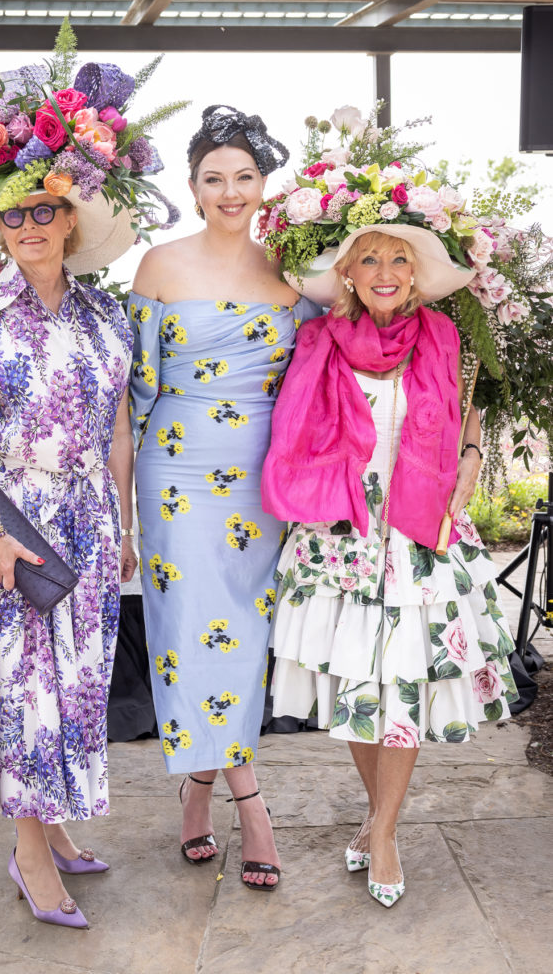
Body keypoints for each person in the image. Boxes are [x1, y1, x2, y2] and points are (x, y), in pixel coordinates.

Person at [0, 57, 175, 928]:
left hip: (90, 519)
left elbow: (119, 431)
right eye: (13, 210)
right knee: (23, 684)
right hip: (9, 516)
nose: (28, 223)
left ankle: (54, 827)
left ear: (70, 220)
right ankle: (28, 854)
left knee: (77, 681)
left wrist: (124, 521)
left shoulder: (105, 317)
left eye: (45, 208)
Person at [261, 224, 519, 907]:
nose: (384, 270)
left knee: (401, 677)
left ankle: (381, 833)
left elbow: (466, 414)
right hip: (340, 522)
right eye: (368, 258)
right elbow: (294, 424)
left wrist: (470, 458)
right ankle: (378, 818)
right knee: (357, 681)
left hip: (417, 524)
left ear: (415, 273)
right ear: (345, 271)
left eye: (398, 258)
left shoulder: (439, 334)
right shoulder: (316, 340)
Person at [127, 105, 320, 891]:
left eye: (244, 177)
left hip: (260, 476)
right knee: (187, 634)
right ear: (193, 187)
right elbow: (133, 391)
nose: (230, 190)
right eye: (214, 178)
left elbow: (321, 377)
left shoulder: (295, 270)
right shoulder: (159, 266)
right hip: (173, 476)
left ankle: (198, 787)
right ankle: (250, 801)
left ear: (264, 185)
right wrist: (118, 507)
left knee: (243, 633)